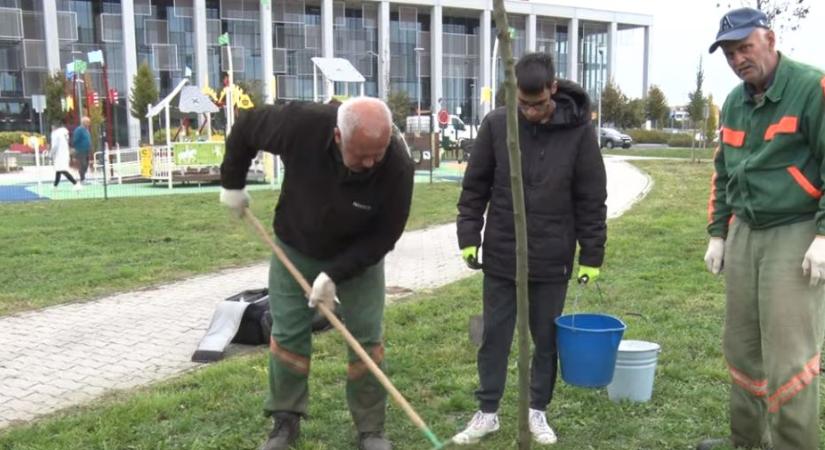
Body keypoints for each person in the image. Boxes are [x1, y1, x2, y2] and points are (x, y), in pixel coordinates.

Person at [219, 97, 414, 450]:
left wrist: (334, 274)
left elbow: (386, 236)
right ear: (339, 136)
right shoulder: (300, 124)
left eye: (378, 154)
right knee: (288, 334)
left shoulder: (397, 165)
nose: (371, 163)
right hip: (295, 245)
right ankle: (285, 422)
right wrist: (232, 183)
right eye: (361, 155)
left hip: (359, 258)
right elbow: (246, 126)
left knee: (366, 339)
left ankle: (371, 429)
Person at [454, 52, 607, 445]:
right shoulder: (497, 125)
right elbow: (474, 189)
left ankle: (537, 411)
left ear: (553, 89)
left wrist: (591, 255)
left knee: (546, 339)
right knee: (494, 337)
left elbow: (591, 198)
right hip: (502, 253)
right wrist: (469, 238)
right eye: (523, 103)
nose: (531, 112)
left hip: (553, 256)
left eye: (537, 104)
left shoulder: (578, 132)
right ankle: (487, 412)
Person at [700, 7, 825, 450]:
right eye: (730, 53)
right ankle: (748, 441)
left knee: (789, 359)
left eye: (745, 48)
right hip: (745, 232)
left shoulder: (813, 88)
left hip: (795, 230)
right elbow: (724, 171)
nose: (738, 60)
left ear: (770, 40)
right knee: (742, 349)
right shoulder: (735, 102)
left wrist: (823, 238)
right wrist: (718, 232)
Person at [50, 119, 80, 190]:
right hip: (65, 153)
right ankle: (55, 185)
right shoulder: (64, 132)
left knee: (62, 169)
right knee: (59, 170)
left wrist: (51, 153)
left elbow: (55, 146)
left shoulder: (55, 133)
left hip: (59, 154)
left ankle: (75, 183)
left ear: (54, 126)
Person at [72, 116, 92, 183]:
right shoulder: (79, 130)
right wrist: (76, 148)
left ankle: (83, 177)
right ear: (83, 122)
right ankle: (82, 179)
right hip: (80, 150)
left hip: (87, 150)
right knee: (82, 164)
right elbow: (75, 140)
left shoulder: (86, 130)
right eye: (87, 122)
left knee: (86, 164)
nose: (89, 124)